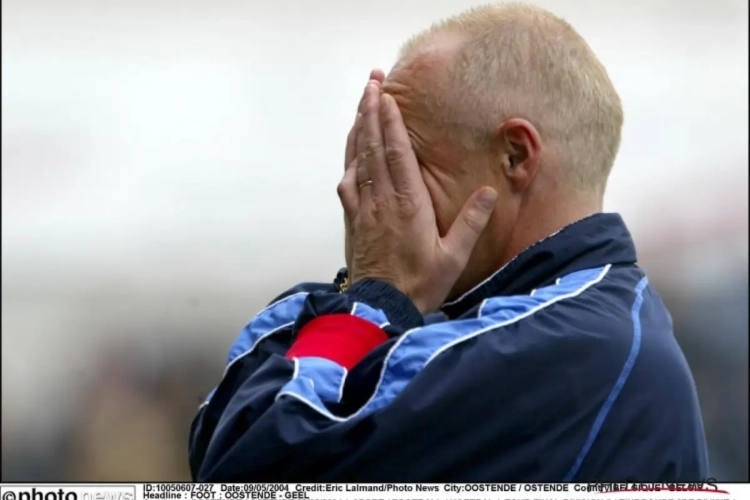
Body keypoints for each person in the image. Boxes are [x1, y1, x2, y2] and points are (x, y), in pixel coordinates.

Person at [189, 3, 708, 481]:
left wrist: (375, 293)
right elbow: (221, 435)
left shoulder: (575, 348)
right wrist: (366, 296)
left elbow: (246, 469)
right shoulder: (481, 317)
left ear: (515, 157)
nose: (372, 188)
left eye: (402, 156)